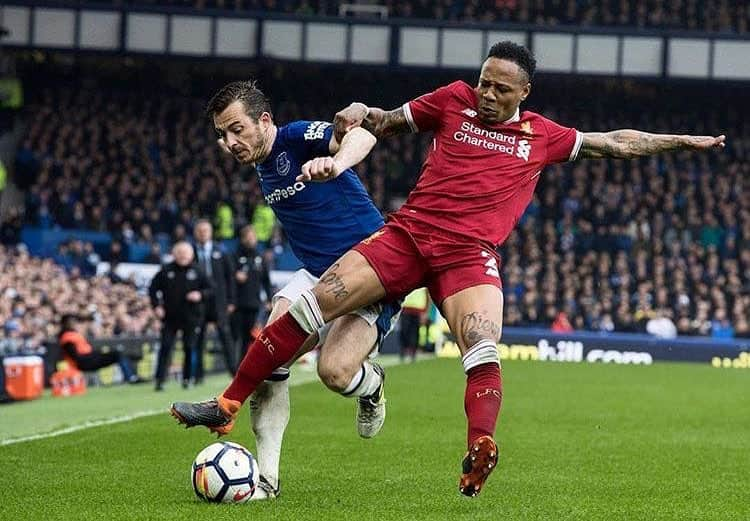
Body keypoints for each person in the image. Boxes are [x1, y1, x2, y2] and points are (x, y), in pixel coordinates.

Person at [171, 42, 725, 497]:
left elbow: (615, 143)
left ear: (524, 94)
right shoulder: (452, 100)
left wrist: (677, 142)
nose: (486, 94)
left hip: (468, 254)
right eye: (484, 81)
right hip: (408, 235)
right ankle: (227, 406)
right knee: (310, 308)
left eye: (500, 88)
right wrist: (364, 114)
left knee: (482, 346)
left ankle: (480, 446)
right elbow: (386, 122)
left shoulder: (542, 135)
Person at [171, 80, 400, 500]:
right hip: (314, 273)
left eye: (237, 129)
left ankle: (371, 386)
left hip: (370, 271)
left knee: (334, 373)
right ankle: (266, 482)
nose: (230, 142)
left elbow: (361, 134)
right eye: (222, 134)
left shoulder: (296, 137)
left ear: (264, 120)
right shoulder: (261, 162)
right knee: (269, 360)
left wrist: (337, 163)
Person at [149, 241, 212, 391]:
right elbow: (152, 288)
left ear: (191, 255)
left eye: (186, 253)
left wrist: (200, 294)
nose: (183, 255)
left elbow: (211, 289)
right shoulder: (165, 270)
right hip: (170, 317)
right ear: (174, 254)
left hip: (191, 316)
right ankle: (160, 380)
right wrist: (156, 306)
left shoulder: (198, 270)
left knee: (189, 348)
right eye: (180, 252)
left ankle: (187, 378)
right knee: (165, 347)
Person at [193, 219, 237, 380]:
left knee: (226, 337)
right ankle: (197, 375)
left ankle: (234, 372)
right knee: (198, 339)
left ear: (210, 233)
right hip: (199, 302)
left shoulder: (221, 252)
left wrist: (231, 301)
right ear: (195, 233)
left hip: (219, 303)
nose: (203, 233)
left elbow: (230, 278)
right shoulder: (190, 252)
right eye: (200, 230)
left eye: (205, 230)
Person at [58, 314, 142, 384]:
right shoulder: (67, 337)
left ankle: (131, 367)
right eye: (72, 322)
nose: (75, 324)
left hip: (87, 358)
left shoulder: (72, 334)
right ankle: (131, 376)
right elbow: (75, 356)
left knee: (117, 353)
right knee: (117, 354)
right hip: (84, 361)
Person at [232, 224, 272, 355]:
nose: (251, 239)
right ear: (242, 239)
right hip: (237, 305)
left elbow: (266, 281)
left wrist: (270, 299)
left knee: (252, 337)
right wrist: (234, 276)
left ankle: (248, 366)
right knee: (237, 337)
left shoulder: (260, 258)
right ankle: (236, 367)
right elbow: (225, 279)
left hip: (254, 304)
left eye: (253, 237)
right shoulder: (234, 257)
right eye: (248, 237)